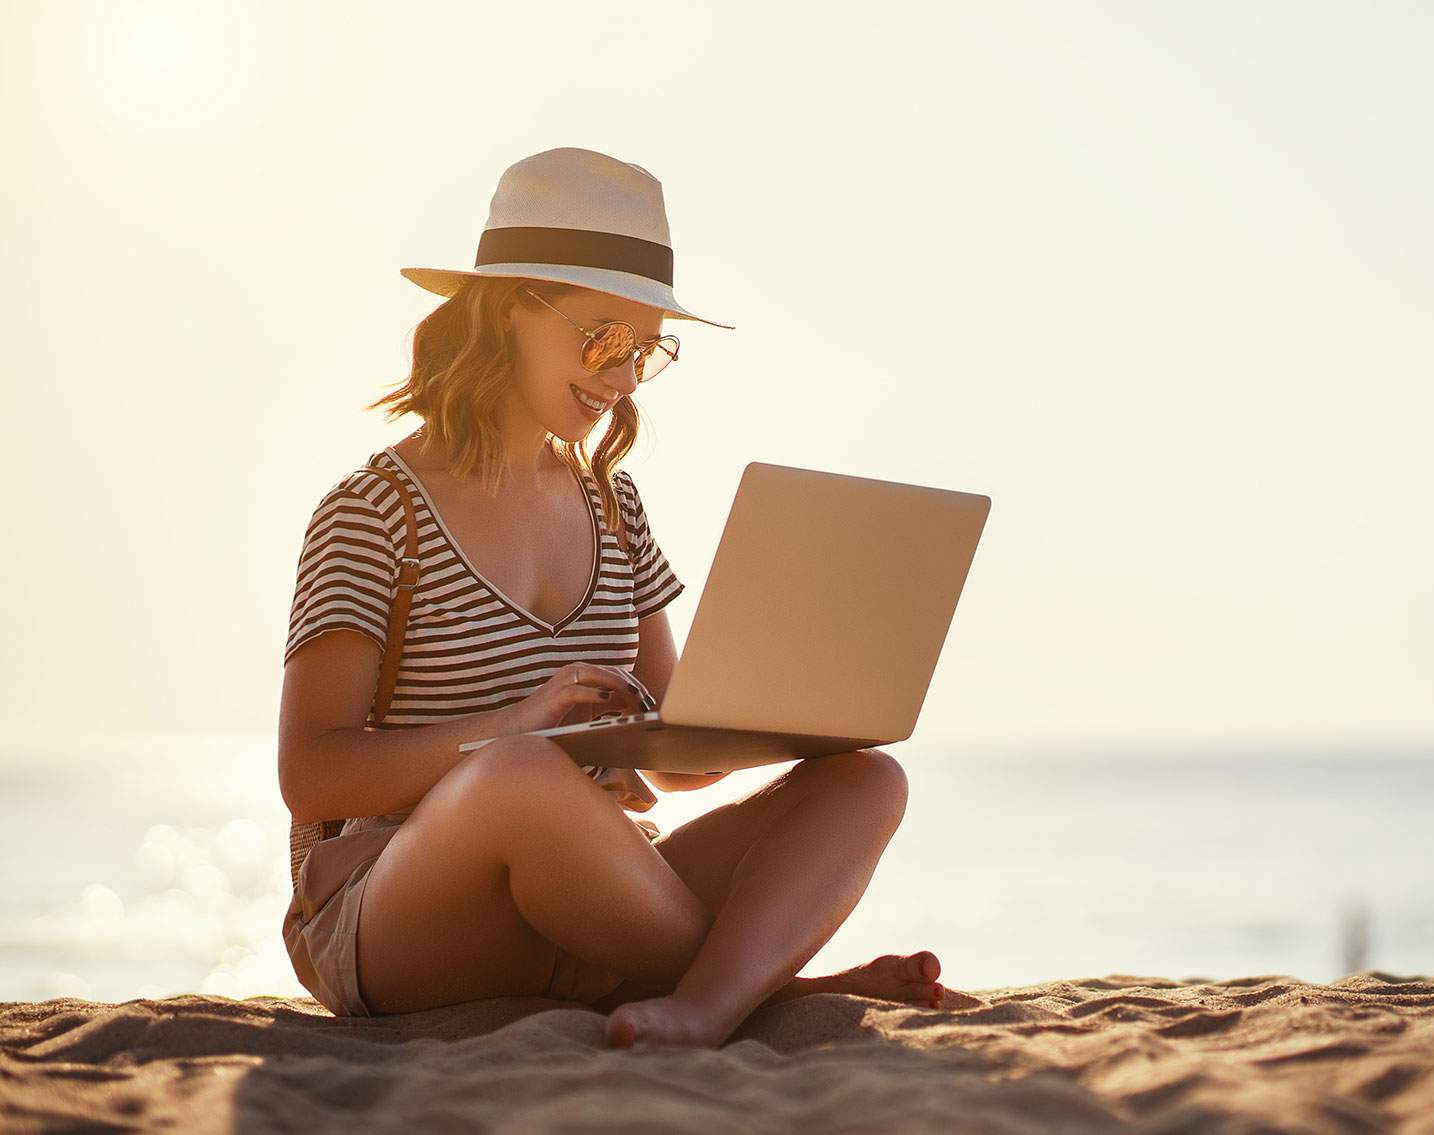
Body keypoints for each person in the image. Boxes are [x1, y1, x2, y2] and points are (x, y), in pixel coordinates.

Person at [278, 148, 942, 1051]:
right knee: (519, 778)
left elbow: (676, 760)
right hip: (394, 908)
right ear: (512, 309)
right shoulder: (370, 509)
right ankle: (763, 981)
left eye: (646, 351)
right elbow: (311, 775)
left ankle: (707, 1000)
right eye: (602, 339)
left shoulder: (612, 503)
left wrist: (784, 714)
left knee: (870, 780)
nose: (624, 379)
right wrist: (518, 726)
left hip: (586, 905)